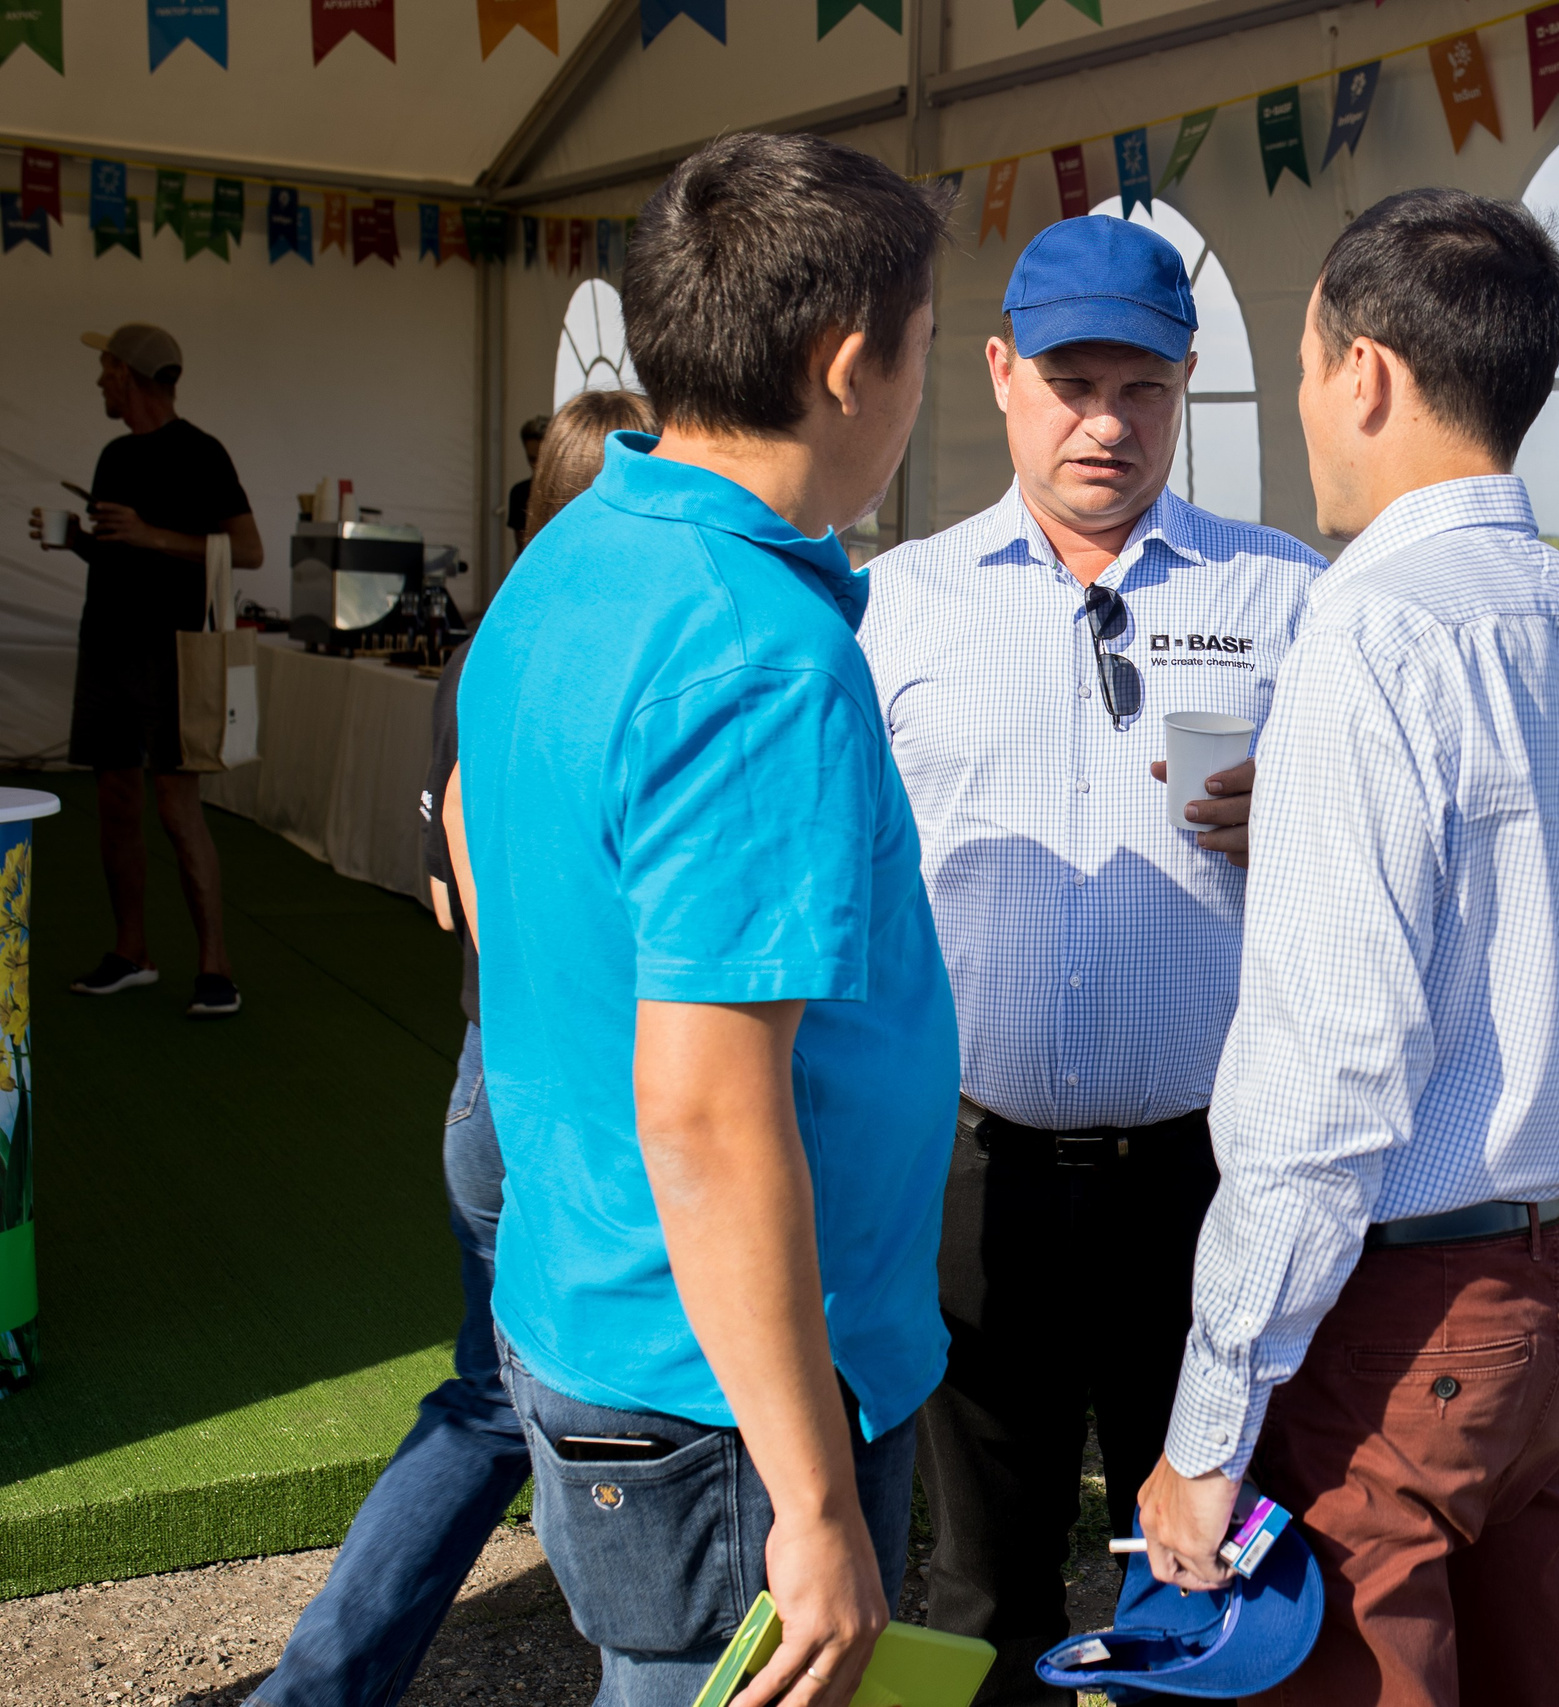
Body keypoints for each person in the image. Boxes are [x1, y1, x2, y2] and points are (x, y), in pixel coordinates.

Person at [1136, 189, 1559, 1705]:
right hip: (1548, 1282)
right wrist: (1529, 1179)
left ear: (1366, 372)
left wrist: (1206, 1428)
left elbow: (1329, 1081)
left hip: (1393, 1313)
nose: (1302, 409)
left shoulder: (1365, 635)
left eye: (1301, 367)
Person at [457, 133, 957, 1707]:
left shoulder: (575, 553)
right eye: (927, 343)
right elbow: (709, 1107)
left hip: (601, 1299)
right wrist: (811, 1499)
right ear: (851, 362)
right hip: (726, 1389)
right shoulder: (753, 650)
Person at [859, 215, 1325, 1705]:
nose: (1107, 424)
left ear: (1187, 388)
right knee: (976, 1578)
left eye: (1144, 389)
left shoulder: (1288, 598)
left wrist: (1305, 821)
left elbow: (1383, 877)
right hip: (972, 1170)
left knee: (1195, 1569)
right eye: (1072, 384)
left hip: (1203, 1173)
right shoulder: (899, 605)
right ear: (999, 373)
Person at [248, 388, 657, 1707]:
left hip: (491, 1073)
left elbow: (445, 897)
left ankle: (316, 1685)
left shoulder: (488, 653)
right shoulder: (638, 651)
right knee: (643, 1404)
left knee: (495, 1398)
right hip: (592, 1082)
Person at [25, 323, 259, 1018]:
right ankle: (132, 952)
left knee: (176, 807)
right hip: (106, 645)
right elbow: (117, 552)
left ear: (129, 374)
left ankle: (216, 966)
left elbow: (247, 550)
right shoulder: (114, 455)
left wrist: (150, 533)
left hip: (172, 652)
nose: (99, 381)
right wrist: (79, 541)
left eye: (105, 369)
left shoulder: (201, 453)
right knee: (116, 801)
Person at [505, 415, 549, 550]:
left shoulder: (571, 491)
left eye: (543, 459)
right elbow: (521, 548)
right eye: (532, 459)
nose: (537, 466)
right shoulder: (520, 493)